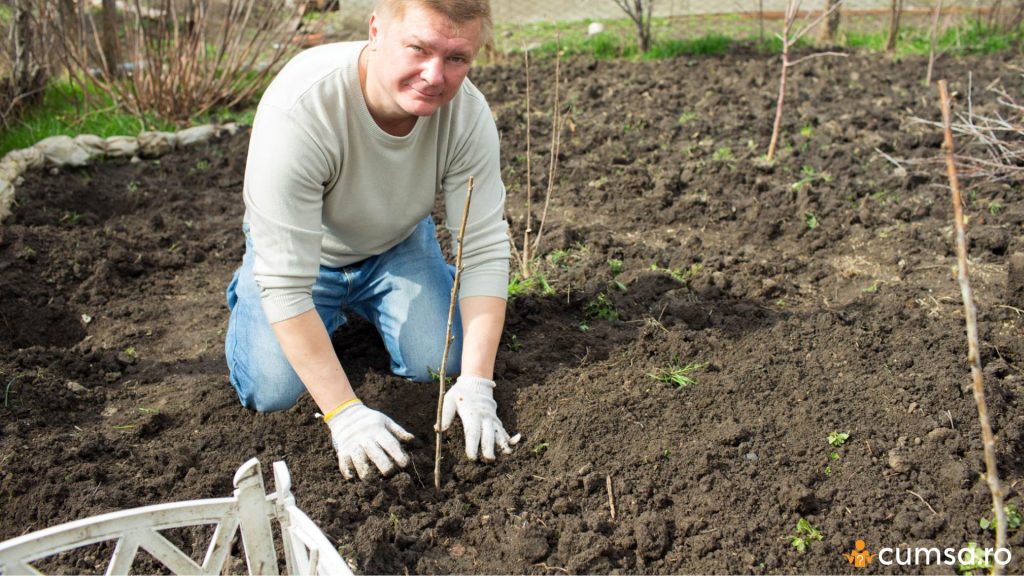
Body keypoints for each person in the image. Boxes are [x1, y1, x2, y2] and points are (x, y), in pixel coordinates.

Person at [224, 0, 519, 481]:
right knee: (272, 391)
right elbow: (286, 282)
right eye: (418, 49)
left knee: (439, 363)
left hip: (396, 243)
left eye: (456, 58)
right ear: (376, 30)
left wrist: (478, 382)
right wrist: (344, 413)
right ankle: (254, 293)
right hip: (307, 254)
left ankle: (378, 299)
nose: (434, 75)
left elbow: (484, 248)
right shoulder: (301, 108)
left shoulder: (466, 116)